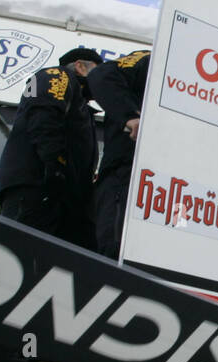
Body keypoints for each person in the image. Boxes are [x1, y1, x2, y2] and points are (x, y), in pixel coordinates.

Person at [0, 47, 102, 250]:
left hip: (60, 195)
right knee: (20, 253)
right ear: (80, 66)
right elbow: (44, 117)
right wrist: (56, 166)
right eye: (98, 72)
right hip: (37, 185)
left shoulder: (80, 101)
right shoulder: (56, 75)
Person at [86, 49, 151, 259]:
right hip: (125, 175)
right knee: (114, 249)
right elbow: (101, 75)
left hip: (170, 191)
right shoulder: (153, 58)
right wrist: (130, 116)